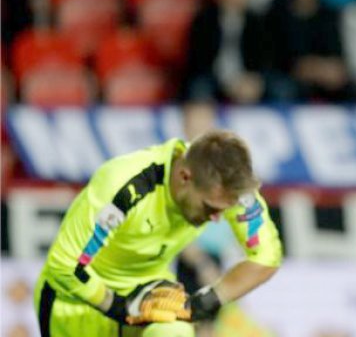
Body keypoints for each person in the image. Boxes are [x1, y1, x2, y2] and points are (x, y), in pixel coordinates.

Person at [34, 130, 282, 336]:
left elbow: (266, 257)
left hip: (146, 296)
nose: (216, 219)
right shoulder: (124, 184)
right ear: (185, 177)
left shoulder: (227, 187)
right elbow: (65, 265)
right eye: (209, 208)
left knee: (176, 331)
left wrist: (204, 303)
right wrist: (118, 307)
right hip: (74, 305)